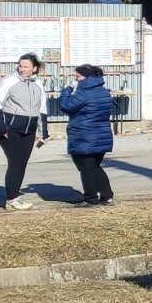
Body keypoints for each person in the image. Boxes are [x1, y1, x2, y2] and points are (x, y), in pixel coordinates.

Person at [0, 54, 51, 211]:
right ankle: (11, 199)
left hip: (29, 130)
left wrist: (43, 132)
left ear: (34, 68)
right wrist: (1, 127)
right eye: (20, 66)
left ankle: (13, 195)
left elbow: (42, 108)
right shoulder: (10, 81)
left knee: (21, 164)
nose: (22, 69)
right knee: (15, 163)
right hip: (11, 130)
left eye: (26, 66)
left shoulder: (38, 82)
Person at [56, 64, 116, 205]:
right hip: (101, 134)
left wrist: (67, 89)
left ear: (86, 77)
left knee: (86, 169)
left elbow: (66, 106)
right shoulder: (103, 91)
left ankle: (90, 198)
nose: (76, 79)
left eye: (77, 76)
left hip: (84, 135)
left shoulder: (84, 93)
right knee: (95, 167)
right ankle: (107, 195)